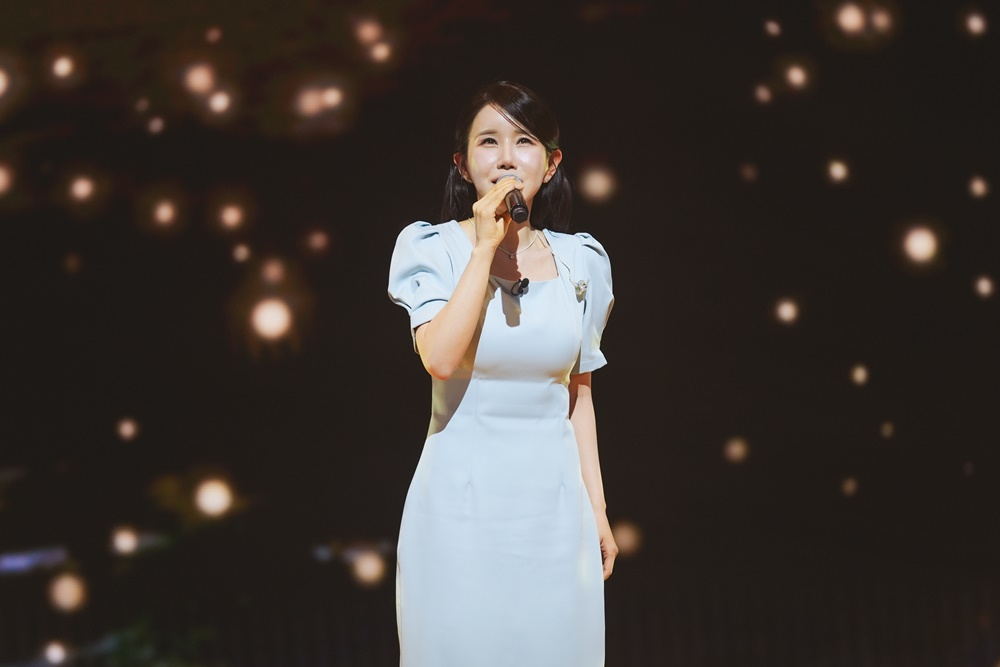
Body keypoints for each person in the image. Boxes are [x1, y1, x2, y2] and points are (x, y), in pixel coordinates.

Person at [387, 80, 617, 666]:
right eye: (488, 142)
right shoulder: (432, 249)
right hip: (458, 512)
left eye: (525, 141)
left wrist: (597, 509)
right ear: (463, 165)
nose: (507, 157)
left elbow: (579, 393)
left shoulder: (582, 262)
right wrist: (485, 248)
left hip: (555, 516)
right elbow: (440, 358)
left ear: (551, 163)